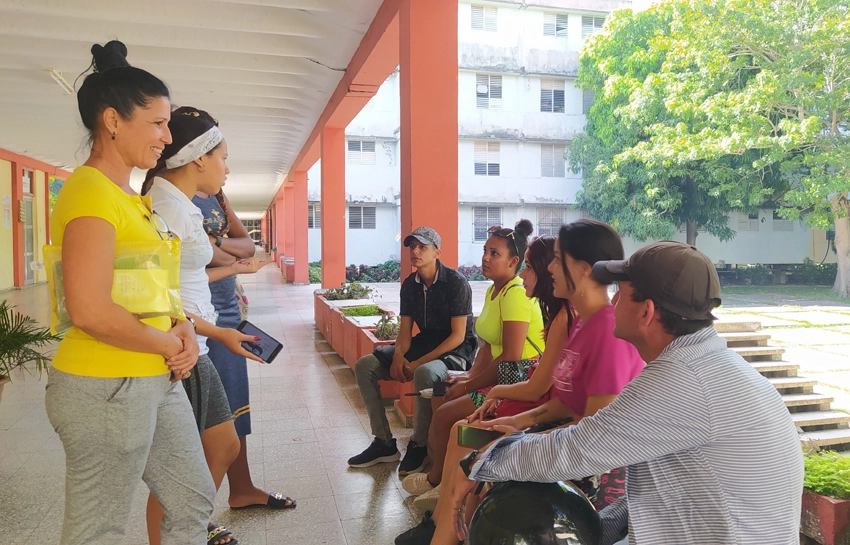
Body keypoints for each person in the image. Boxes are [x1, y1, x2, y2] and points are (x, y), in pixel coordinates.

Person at [448, 241, 804, 545]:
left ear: (647, 312)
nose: (612, 300)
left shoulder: (683, 378)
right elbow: (660, 487)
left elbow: (577, 448)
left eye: (621, 292)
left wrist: (480, 462)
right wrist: (599, 528)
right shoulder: (706, 362)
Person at [45, 40, 215, 545]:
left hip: (152, 376)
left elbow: (146, 286)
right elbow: (90, 308)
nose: (168, 136)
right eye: (158, 123)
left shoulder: (128, 196)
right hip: (105, 384)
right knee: (99, 529)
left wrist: (180, 326)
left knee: (192, 499)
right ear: (113, 121)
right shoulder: (90, 191)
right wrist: (170, 345)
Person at [396, 219, 645, 545]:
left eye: (557, 259)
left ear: (583, 269)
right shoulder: (581, 323)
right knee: (467, 441)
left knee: (476, 459)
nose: (548, 268)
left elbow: (595, 431)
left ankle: (446, 526)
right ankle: (445, 526)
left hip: (590, 465)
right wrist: (515, 422)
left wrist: (515, 439)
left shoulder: (606, 331)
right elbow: (563, 402)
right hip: (563, 437)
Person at [142, 106, 273, 545]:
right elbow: (159, 298)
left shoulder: (182, 206)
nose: (227, 167)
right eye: (222, 157)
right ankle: (184, 527)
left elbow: (196, 274)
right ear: (198, 157)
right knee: (180, 467)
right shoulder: (167, 209)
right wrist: (216, 333)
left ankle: (191, 523)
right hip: (180, 347)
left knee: (222, 444)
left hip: (197, 339)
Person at [401, 220, 545, 497]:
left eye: (494, 253)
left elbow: (511, 357)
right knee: (441, 392)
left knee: (444, 414)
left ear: (514, 261)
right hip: (499, 372)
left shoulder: (515, 294)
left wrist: (470, 385)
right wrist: (467, 376)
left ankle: (436, 481)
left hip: (518, 378)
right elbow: (489, 346)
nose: (485, 258)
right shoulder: (494, 290)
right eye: (485, 250)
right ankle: (441, 465)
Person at [348, 226, 478, 475]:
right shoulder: (410, 284)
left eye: (423, 247)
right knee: (365, 365)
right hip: (425, 343)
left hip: (457, 352)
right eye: (412, 247)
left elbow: (458, 336)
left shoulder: (456, 283)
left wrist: (416, 363)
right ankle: (384, 443)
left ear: (437, 252)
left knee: (425, 373)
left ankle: (419, 445)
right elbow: (405, 331)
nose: (415, 251)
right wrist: (398, 356)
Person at [192, 187, 287, 510]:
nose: (227, 169)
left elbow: (246, 247)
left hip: (229, 316)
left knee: (235, 405)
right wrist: (225, 252)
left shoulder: (216, 196)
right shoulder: (170, 197)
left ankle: (242, 488)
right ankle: (196, 515)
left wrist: (216, 243)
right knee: (204, 421)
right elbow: (215, 257)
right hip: (199, 321)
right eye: (221, 157)